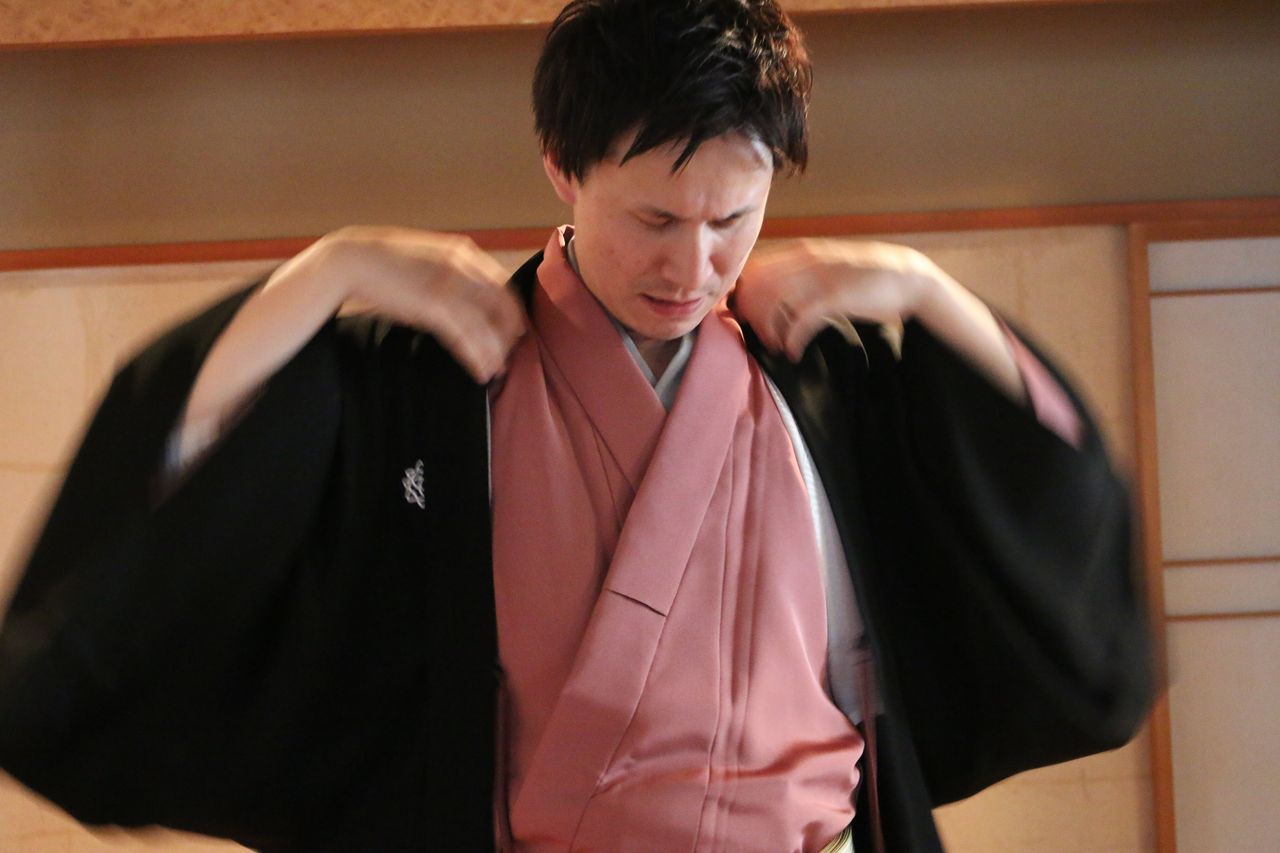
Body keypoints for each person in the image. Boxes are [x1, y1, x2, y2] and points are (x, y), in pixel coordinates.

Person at [0, 1, 1152, 851]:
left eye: (731, 221)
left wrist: (921, 290)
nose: (691, 266)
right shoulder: (441, 383)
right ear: (560, 164)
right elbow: (182, 471)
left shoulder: (823, 383)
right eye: (653, 218)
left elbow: (1051, 507)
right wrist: (327, 272)